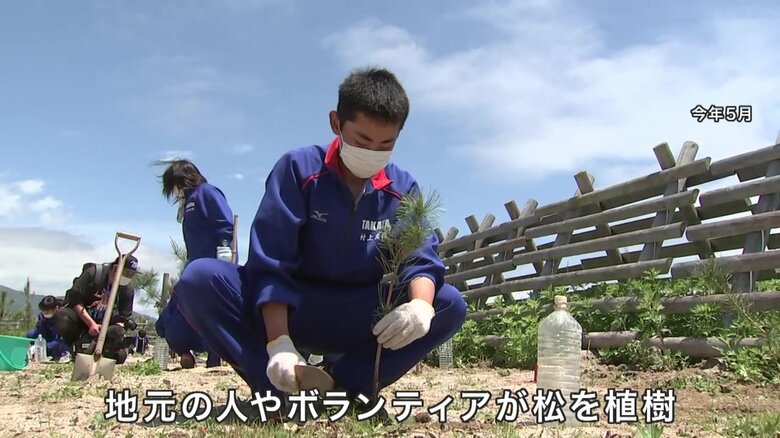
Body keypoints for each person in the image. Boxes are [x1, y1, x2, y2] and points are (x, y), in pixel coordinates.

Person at [174, 67, 467, 419]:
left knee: (447, 303)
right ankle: (278, 388)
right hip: (292, 307)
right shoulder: (299, 170)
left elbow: (421, 259)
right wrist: (279, 343)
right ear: (336, 123)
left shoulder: (403, 189)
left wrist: (419, 307)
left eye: (385, 145)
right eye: (361, 141)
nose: (372, 153)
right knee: (199, 280)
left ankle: (345, 386)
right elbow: (272, 263)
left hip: (360, 313)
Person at [154, 159, 235, 369]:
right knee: (170, 316)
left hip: (211, 265)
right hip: (193, 266)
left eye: (172, 186)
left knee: (211, 311)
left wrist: (223, 259)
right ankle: (184, 350)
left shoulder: (206, 193)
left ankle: (214, 359)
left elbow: (225, 225)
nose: (173, 192)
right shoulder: (187, 202)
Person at [52, 255, 139, 364]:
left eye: (132, 275)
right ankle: (70, 350)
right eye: (127, 273)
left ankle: (101, 352)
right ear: (116, 268)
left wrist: (117, 326)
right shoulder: (93, 274)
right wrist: (91, 324)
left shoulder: (127, 290)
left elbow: (123, 317)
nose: (129, 277)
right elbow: (75, 301)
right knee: (62, 317)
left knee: (119, 354)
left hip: (105, 327)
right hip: (82, 320)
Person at [26, 295, 69, 363]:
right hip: (47, 335)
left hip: (59, 338)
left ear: (56, 308)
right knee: (31, 334)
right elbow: (39, 330)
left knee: (60, 342)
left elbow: (60, 339)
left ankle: (64, 354)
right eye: (43, 311)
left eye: (47, 312)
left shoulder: (64, 316)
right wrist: (35, 344)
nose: (45, 313)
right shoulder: (42, 315)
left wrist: (45, 346)